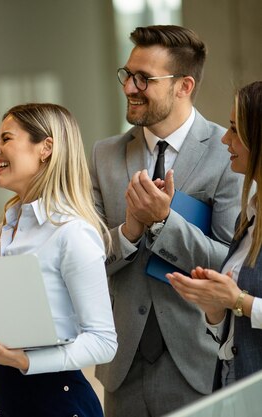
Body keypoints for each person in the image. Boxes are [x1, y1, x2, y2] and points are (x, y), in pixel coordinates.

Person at [90, 25, 243, 416]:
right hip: (122, 364)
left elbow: (231, 264)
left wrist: (163, 222)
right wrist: (130, 230)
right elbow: (88, 259)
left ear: (183, 85)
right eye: (127, 75)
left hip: (200, 361)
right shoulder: (104, 155)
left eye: (144, 79)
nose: (129, 87)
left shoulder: (229, 153)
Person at [0, 103, 117, 417]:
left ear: (46, 148)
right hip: (13, 402)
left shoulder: (72, 233)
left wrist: (28, 362)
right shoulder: (6, 228)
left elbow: (102, 342)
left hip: (61, 405)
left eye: (5, 139)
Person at [167, 81, 262, 389]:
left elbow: (244, 303)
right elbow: (236, 330)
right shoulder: (248, 215)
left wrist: (238, 300)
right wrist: (214, 307)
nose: (225, 138)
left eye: (235, 129)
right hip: (234, 381)